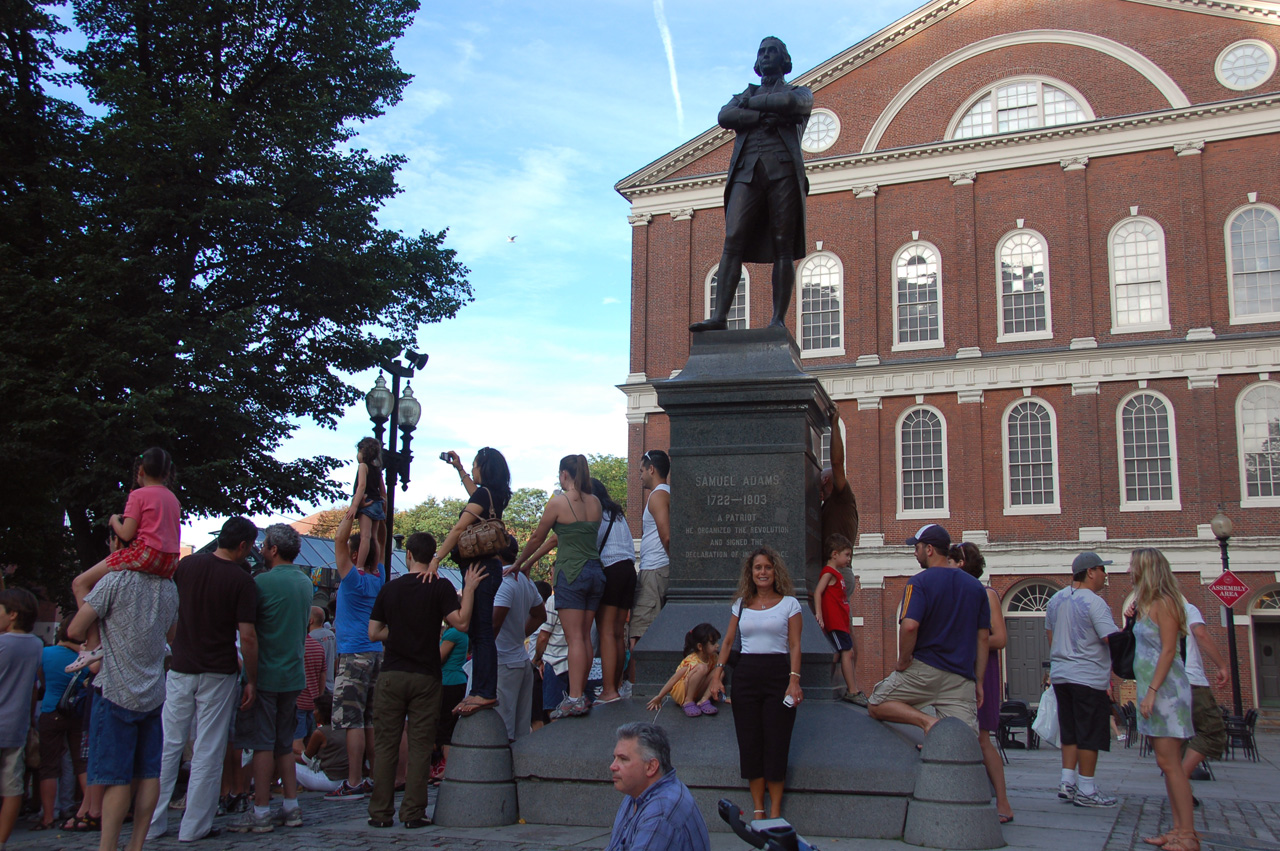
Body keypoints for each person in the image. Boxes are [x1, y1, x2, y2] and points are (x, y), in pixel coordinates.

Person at [148, 516, 260, 843]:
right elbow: (248, 636)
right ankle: (194, 825)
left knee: (170, 743)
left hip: (182, 665)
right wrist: (250, 678)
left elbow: (171, 610)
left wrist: (175, 643)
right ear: (242, 546)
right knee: (208, 747)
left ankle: (152, 821)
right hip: (218, 668)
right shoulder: (242, 582)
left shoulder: (187, 567)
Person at [689, 36, 811, 332]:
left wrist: (750, 108)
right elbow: (725, 116)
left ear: (784, 60)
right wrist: (763, 113)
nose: (766, 56)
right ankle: (719, 317)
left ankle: (777, 321)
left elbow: (790, 102)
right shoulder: (743, 94)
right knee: (733, 240)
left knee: (783, 246)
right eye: (762, 52)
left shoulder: (799, 91)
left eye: (772, 51)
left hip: (782, 171)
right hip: (746, 173)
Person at [366, 529, 482, 829]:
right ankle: (413, 813)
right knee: (420, 746)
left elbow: (374, 632)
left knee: (386, 744)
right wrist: (468, 589)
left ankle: (380, 813)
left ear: (408, 555)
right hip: (426, 676)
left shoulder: (389, 589)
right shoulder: (440, 586)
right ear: (432, 556)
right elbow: (462, 622)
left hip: (391, 674)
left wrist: (400, 631)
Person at [68, 545, 180, 851]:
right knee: (148, 774)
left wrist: (95, 634)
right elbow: (171, 636)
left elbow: (75, 628)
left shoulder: (115, 581)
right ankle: (136, 845)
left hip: (115, 690)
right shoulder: (169, 587)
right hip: (153, 692)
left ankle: (108, 847)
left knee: (115, 778)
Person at [228, 524, 314, 833]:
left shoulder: (261, 582)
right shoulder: (306, 583)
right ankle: (291, 807)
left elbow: (249, 634)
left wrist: (249, 677)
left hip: (265, 672)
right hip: (293, 673)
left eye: (264, 545)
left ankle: (261, 809)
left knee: (262, 743)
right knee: (284, 744)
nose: (261, 550)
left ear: (273, 549)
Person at [707, 546, 803, 821]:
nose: (763, 572)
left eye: (767, 568)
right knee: (750, 743)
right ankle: (758, 809)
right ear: (751, 573)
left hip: (778, 675)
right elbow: (727, 642)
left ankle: (775, 810)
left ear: (776, 572)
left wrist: (794, 681)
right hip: (747, 675)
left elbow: (795, 645)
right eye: (758, 568)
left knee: (776, 742)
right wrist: (717, 674)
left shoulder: (790, 604)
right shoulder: (740, 604)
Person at [867, 524, 990, 737]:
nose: (915, 553)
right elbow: (983, 639)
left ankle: (928, 722)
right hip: (960, 678)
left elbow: (910, 626)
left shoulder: (919, 582)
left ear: (930, 549)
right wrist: (978, 681)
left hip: (923, 671)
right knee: (964, 740)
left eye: (917, 548)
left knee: (877, 704)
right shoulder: (976, 587)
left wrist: (903, 660)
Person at [67, 447, 182, 672]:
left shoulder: (138, 495)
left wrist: (113, 521)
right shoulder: (173, 499)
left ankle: (93, 644)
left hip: (143, 555)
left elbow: (127, 534)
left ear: (140, 472)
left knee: (80, 582)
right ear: (168, 474)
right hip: (168, 563)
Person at [511, 454, 604, 719]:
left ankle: (574, 698)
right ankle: (582, 694)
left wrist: (519, 563)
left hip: (571, 573)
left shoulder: (558, 503)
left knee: (574, 637)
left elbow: (538, 536)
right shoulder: (596, 502)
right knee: (585, 636)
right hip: (595, 571)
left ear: (564, 474)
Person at [428, 447, 512, 717]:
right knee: (479, 631)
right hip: (489, 567)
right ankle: (480, 690)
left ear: (484, 468)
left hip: (480, 568)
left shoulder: (483, 494)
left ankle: (484, 692)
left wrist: (436, 558)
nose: (473, 471)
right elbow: (473, 490)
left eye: (475, 466)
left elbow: (458, 528)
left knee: (481, 632)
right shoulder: (492, 494)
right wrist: (460, 468)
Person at [1129, 548, 1196, 851]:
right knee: (1166, 763)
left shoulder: (1165, 603)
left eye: (1134, 566)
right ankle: (1178, 828)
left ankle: (1188, 835)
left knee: (1172, 764)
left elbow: (1169, 649)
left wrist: (1153, 691)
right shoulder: (1147, 605)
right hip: (1154, 690)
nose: (1130, 571)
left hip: (1167, 692)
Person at [1045, 551, 1121, 808]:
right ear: (1090, 572)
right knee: (1090, 732)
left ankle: (1067, 781)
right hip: (1088, 675)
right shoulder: (1095, 602)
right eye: (1102, 570)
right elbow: (1109, 638)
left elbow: (1050, 634)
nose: (1104, 575)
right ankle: (1087, 788)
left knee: (1070, 730)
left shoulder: (1055, 599)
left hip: (1062, 674)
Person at [950, 541, 1013, 825]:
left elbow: (999, 638)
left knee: (983, 737)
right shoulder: (956, 594)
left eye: (950, 561)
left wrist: (973, 641)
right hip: (957, 670)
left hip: (981, 671)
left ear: (961, 563)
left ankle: (1003, 802)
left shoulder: (986, 594)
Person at [326, 520, 386, 800]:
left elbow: (339, 540)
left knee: (352, 720)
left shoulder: (352, 579)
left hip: (352, 654)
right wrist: (377, 522)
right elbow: (381, 542)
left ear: (354, 556)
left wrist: (355, 506)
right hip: (376, 653)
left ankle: (353, 781)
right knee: (371, 718)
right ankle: (374, 777)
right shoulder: (379, 577)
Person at [818, 410, 864, 705]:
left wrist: (834, 424)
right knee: (843, 634)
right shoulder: (825, 508)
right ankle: (848, 685)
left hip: (836, 577)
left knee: (837, 638)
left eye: (824, 485)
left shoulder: (842, 497)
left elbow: (836, 463)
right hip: (836, 575)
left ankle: (844, 688)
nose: (821, 490)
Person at [607, 722, 710, 851]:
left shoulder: (660, 813)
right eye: (615, 758)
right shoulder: (636, 791)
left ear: (651, 767)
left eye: (623, 759)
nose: (613, 766)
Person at [34, 615, 88, 831]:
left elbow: (42, 680)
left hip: (51, 710)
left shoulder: (45, 654)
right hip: (77, 713)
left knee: (49, 766)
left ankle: (48, 816)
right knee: (81, 762)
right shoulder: (85, 659)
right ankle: (91, 809)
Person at [0, 588, 44, 849]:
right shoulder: (37, 645)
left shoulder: (2, 644)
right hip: (16, 727)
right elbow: (33, 688)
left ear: (12, 614)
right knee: (13, 788)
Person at [494, 548, 547, 741]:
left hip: (503, 661)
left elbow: (494, 623)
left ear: (497, 556)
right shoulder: (525, 581)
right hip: (520, 660)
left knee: (501, 727)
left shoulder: (503, 581)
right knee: (520, 729)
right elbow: (540, 615)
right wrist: (519, 634)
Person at [1179, 600, 1229, 797]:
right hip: (1190, 679)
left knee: (1177, 737)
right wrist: (1222, 665)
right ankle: (1180, 780)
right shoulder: (1186, 608)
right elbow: (1200, 633)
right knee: (1213, 733)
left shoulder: (1150, 608)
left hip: (1164, 683)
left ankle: (1182, 789)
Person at [593, 479, 635, 703]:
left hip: (610, 569)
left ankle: (609, 690)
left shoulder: (596, 511)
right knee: (618, 633)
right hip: (629, 570)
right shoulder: (618, 514)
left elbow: (593, 542)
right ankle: (616, 684)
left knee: (607, 632)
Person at [814, 534, 863, 705]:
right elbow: (818, 592)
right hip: (835, 623)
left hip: (841, 623)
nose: (848, 559)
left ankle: (838, 685)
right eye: (847, 555)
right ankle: (852, 690)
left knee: (841, 653)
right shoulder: (828, 572)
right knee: (846, 653)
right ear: (835, 554)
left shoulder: (836, 573)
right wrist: (819, 614)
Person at [630, 450, 670, 656]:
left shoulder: (658, 496)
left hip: (655, 572)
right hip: (657, 570)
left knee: (640, 637)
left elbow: (667, 536)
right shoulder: (665, 494)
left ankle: (637, 688)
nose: (640, 475)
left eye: (642, 470)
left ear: (651, 469)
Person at [647, 623, 721, 717]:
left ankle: (704, 700)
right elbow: (674, 679)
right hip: (683, 691)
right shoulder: (692, 661)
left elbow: (715, 678)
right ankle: (688, 701)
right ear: (700, 646)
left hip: (697, 690)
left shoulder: (713, 657)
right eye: (713, 643)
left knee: (719, 671)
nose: (717, 645)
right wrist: (660, 696)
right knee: (702, 668)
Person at [434, 613, 469, 782]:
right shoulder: (463, 632)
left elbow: (439, 657)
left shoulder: (452, 633)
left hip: (448, 681)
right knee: (450, 724)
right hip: (458, 679)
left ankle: (447, 767)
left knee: (445, 726)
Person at [347, 437, 387, 576]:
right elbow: (383, 491)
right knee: (374, 538)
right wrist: (384, 507)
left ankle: (360, 566)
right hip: (377, 503)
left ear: (363, 452)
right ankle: (375, 567)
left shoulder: (363, 466)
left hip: (367, 503)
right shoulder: (377, 469)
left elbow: (361, 486)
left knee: (365, 536)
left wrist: (354, 505)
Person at [295, 693, 346, 794]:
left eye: (315, 709)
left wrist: (286, 756)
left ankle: (286, 789)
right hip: (345, 779)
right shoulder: (344, 728)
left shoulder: (320, 732)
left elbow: (305, 759)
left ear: (322, 712)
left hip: (330, 780)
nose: (314, 713)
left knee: (288, 764)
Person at [534, 589, 571, 721]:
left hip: (555, 663)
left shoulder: (554, 600)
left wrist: (537, 658)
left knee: (554, 712)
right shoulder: (580, 598)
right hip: (576, 665)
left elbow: (543, 636)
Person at [294, 631, 327, 754]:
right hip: (312, 702)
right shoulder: (318, 647)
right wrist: (319, 697)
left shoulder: (296, 646)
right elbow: (322, 674)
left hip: (297, 701)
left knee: (296, 742)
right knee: (310, 740)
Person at [309, 606, 336, 695]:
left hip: (317, 686)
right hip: (331, 684)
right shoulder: (331, 634)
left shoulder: (311, 638)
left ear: (311, 620)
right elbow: (336, 659)